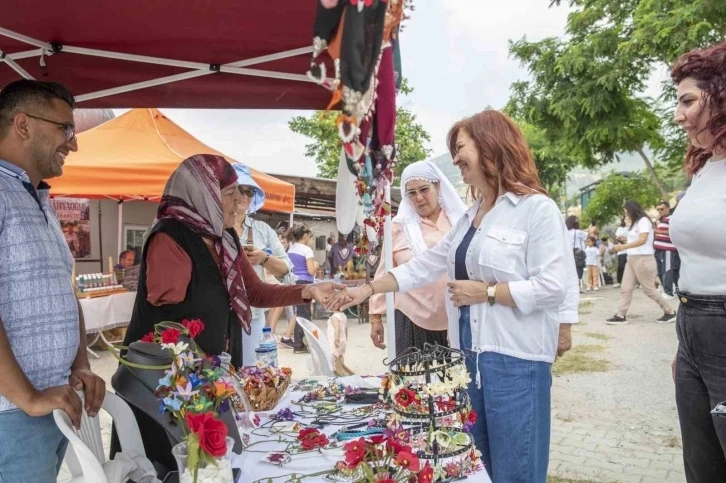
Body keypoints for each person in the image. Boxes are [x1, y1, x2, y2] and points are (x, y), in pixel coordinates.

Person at [327, 109, 579, 482]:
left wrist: (487, 292)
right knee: (480, 467)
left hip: (516, 362)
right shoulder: (471, 216)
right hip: (471, 360)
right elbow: (423, 266)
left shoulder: (535, 209)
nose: (456, 158)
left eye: (461, 148)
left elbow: (553, 286)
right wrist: (365, 290)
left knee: (518, 471)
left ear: (491, 145)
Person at [119, 154, 341, 468]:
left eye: (240, 194)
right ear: (201, 194)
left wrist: (307, 290)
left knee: (211, 461)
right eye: (228, 194)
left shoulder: (224, 239)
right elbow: (166, 305)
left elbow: (255, 292)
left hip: (206, 375)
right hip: (164, 381)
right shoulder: (170, 236)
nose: (239, 203)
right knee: (170, 463)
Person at [0, 79, 106, 482]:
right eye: (65, 129)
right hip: (11, 414)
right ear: (23, 124)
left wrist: (80, 364)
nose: (73, 144)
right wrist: (26, 396)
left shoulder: (35, 197)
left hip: (51, 404)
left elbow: (65, 292)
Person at [669, 40, 726, 483]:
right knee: (702, 467)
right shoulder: (706, 167)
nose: (678, 114)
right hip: (692, 326)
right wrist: (686, 348)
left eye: (689, 100)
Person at [368, 160, 466, 355]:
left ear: (437, 186)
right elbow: (385, 271)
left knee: (457, 380)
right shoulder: (399, 226)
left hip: (456, 317)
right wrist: (376, 317)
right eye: (411, 193)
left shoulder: (460, 221)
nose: (419, 198)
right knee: (412, 382)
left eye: (424, 189)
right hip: (411, 319)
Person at [232, 163, 296, 366]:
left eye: (249, 191)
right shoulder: (213, 227)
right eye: (239, 189)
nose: (244, 196)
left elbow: (287, 269)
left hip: (253, 315)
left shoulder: (262, 230)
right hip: (217, 314)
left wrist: (263, 259)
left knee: (256, 375)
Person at [607, 201, 677, 325]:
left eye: (626, 212)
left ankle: (669, 312)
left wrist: (623, 247)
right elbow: (634, 239)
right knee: (626, 288)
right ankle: (621, 315)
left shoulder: (644, 221)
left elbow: (642, 240)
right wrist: (623, 240)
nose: (626, 215)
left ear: (632, 210)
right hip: (632, 258)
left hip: (643, 258)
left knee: (648, 289)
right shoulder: (633, 224)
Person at [286, 223, 319, 353]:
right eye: (310, 237)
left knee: (299, 312)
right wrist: (316, 265)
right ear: (305, 236)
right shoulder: (307, 250)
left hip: (294, 282)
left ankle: (299, 343)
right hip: (305, 282)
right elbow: (311, 270)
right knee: (304, 314)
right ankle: (300, 344)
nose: (311, 240)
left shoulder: (291, 248)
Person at [654, 200, 680, 300]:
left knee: (667, 270)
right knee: (661, 270)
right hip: (659, 249)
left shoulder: (672, 218)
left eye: (662, 209)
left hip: (668, 249)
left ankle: (668, 292)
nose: (659, 211)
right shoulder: (661, 220)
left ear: (668, 208)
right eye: (658, 209)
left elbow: (673, 232)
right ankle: (671, 290)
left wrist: (657, 230)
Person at [326, 312, 352, 376]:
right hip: (343, 339)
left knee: (334, 356)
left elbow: (337, 329)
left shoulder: (334, 317)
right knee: (340, 355)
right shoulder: (343, 315)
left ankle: (338, 371)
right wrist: (346, 337)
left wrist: (336, 340)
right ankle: (342, 368)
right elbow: (346, 328)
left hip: (335, 340)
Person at [566, 215, 587, 289]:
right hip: (578, 254)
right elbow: (587, 235)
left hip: (569, 253)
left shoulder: (566, 232)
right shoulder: (578, 232)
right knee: (578, 271)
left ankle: (572, 287)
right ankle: (576, 287)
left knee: (571, 271)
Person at [613, 217, 629, 288]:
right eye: (626, 219)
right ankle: (619, 281)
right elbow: (615, 239)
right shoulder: (620, 228)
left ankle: (637, 282)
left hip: (631, 250)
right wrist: (619, 240)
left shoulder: (634, 227)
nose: (627, 220)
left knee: (632, 266)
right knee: (621, 266)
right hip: (621, 250)